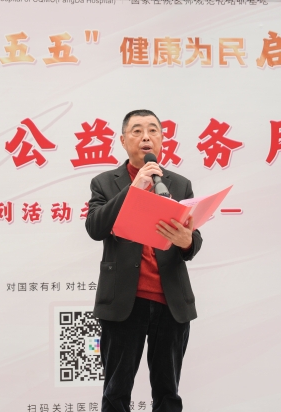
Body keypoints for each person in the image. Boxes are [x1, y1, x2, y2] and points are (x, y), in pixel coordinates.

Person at [85, 109, 203, 412]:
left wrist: (187, 241)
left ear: (162, 140)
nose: (145, 137)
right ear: (123, 141)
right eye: (136, 131)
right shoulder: (104, 183)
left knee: (168, 394)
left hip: (171, 303)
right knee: (116, 393)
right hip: (124, 302)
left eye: (153, 130)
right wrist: (133, 189)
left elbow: (193, 239)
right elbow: (95, 228)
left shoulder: (179, 183)